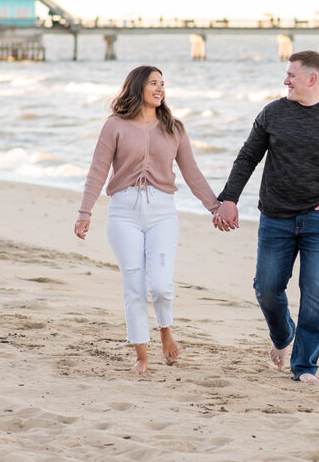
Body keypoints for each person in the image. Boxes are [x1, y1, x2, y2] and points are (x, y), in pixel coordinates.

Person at [213, 50, 319, 384]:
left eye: (291, 75)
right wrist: (228, 198)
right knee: (267, 289)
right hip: (276, 217)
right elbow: (247, 158)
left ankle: (304, 367)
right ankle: (283, 335)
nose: (285, 80)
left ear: (311, 79)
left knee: (315, 293)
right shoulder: (272, 113)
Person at [75, 65, 220, 374]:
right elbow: (98, 171)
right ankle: (141, 354)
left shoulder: (174, 127)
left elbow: (191, 172)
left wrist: (215, 207)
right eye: (154, 83)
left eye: (163, 84)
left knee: (161, 285)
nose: (160, 89)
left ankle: (165, 329)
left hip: (162, 211)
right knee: (135, 285)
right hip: (123, 211)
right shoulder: (114, 126)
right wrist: (85, 212)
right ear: (138, 86)